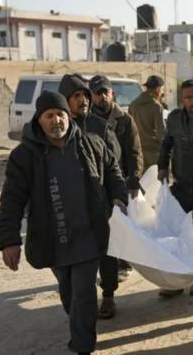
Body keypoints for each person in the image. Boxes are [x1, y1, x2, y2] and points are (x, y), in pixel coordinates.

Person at [0, 91, 128, 355]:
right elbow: (12, 199)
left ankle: (83, 345)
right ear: (39, 120)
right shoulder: (24, 156)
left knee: (84, 292)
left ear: (69, 117)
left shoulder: (91, 144)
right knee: (70, 294)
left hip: (89, 236)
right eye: (49, 115)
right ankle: (79, 325)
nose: (56, 120)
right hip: (53, 238)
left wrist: (118, 197)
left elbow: (113, 170)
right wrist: (9, 241)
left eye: (60, 114)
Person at [57, 74, 124, 319]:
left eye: (85, 95)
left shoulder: (99, 127)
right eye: (77, 96)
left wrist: (118, 196)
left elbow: (114, 165)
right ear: (65, 100)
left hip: (100, 204)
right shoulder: (55, 128)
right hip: (69, 208)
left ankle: (108, 295)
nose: (83, 100)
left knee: (106, 251)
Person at [89, 75, 144, 316]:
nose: (101, 96)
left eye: (105, 92)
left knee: (107, 244)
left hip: (115, 186)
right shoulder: (83, 121)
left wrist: (132, 181)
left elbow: (134, 152)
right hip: (89, 188)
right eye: (97, 92)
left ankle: (108, 294)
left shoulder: (124, 120)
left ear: (112, 94)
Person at [156, 80, 193, 298]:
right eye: (188, 97)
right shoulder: (175, 118)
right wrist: (162, 167)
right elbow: (166, 144)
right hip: (180, 184)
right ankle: (177, 280)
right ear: (182, 100)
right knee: (178, 232)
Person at [129, 75, 166, 172]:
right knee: (155, 184)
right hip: (153, 154)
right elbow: (161, 134)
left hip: (136, 152)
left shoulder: (133, 104)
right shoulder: (156, 106)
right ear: (158, 89)